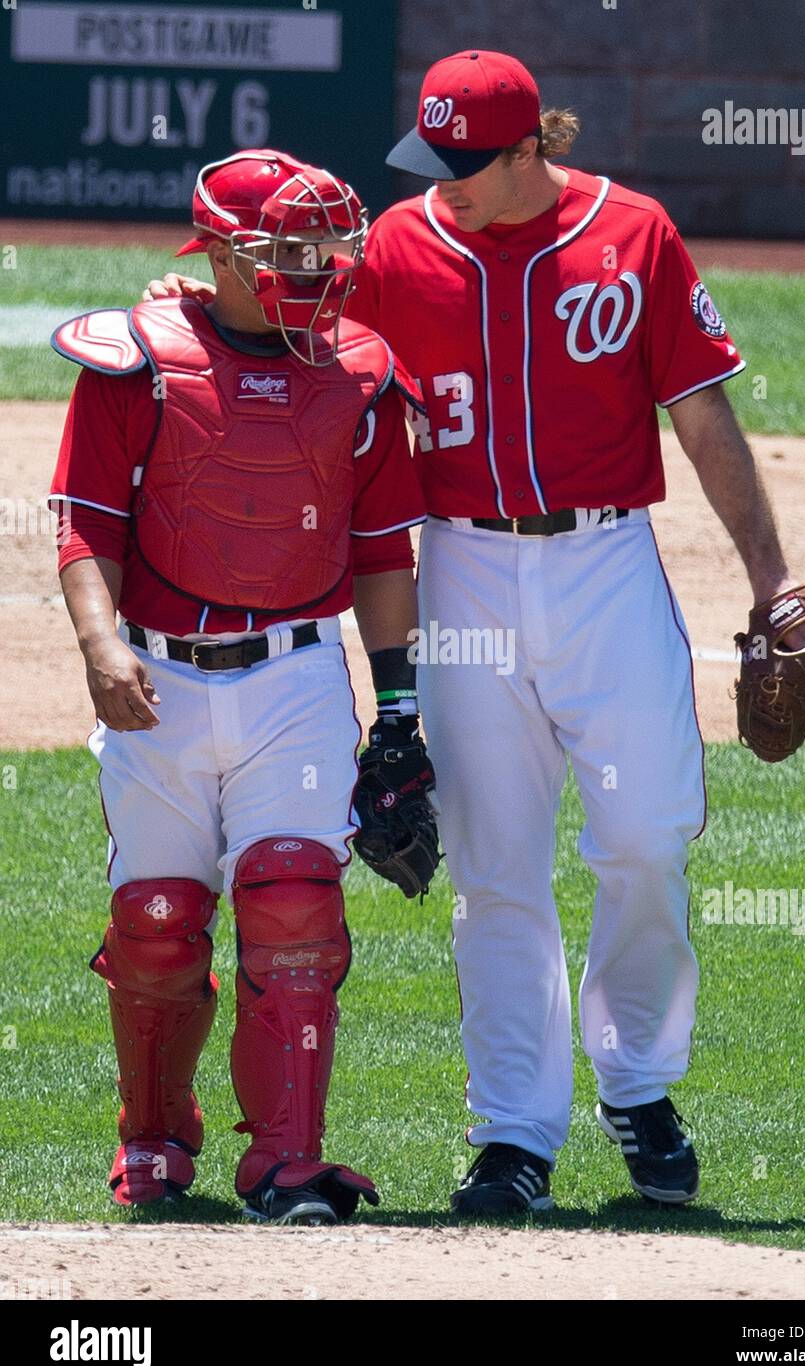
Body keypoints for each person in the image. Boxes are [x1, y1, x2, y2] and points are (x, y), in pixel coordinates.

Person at [144, 53, 805, 1218]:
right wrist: (192, 302)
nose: (438, 184)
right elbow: (290, 319)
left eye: (464, 165)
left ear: (527, 152)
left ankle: (640, 1087)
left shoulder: (635, 235)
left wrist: (774, 578)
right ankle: (514, 1133)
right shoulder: (400, 245)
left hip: (608, 566)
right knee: (497, 869)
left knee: (648, 837)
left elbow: (702, 414)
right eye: (431, 161)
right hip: (461, 575)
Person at [47, 148, 435, 1225]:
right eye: (284, 251)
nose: (315, 269)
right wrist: (99, 646)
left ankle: (288, 1161)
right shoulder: (135, 357)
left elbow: (383, 552)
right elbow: (87, 520)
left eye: (325, 247)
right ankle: (154, 1139)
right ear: (215, 252)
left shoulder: (361, 366)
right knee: (158, 925)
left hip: (296, 677)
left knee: (297, 908)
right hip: (159, 679)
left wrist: (398, 715)